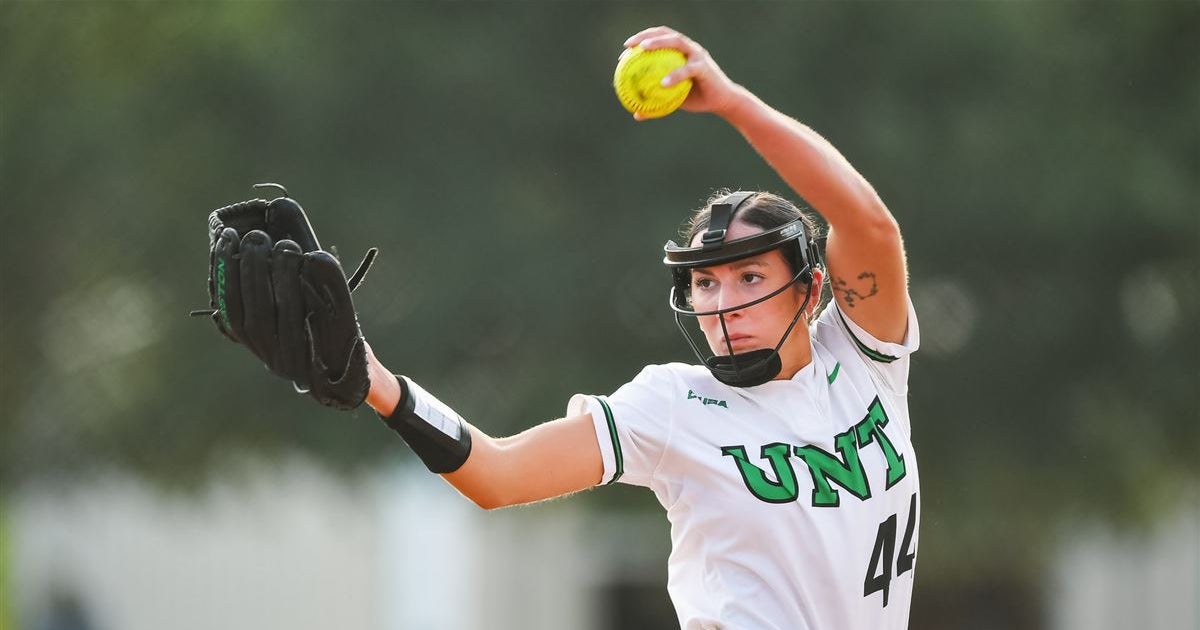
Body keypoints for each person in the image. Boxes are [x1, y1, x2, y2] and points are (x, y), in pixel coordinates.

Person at [364, 26, 920, 630]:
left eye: (750, 277)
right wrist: (377, 384)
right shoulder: (674, 403)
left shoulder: (864, 359)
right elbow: (498, 474)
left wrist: (733, 103)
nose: (723, 303)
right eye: (705, 282)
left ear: (809, 290)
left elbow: (866, 222)